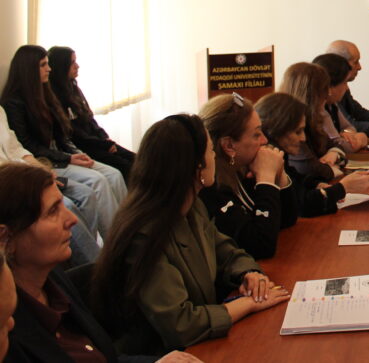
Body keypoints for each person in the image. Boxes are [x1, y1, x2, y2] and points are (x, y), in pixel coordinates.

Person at [92, 114, 289, 355]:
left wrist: (249, 273)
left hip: (197, 347)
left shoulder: (190, 207)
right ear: (196, 166)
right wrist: (249, 303)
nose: (215, 155)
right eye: (209, 150)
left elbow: (226, 251)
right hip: (163, 355)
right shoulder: (145, 236)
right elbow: (181, 324)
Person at [0, 163, 199, 363]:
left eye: (62, 204)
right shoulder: (6, 328)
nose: (72, 219)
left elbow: (107, 358)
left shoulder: (53, 281)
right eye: (53, 211)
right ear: (5, 238)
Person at [1, 45, 126, 239]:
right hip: (47, 160)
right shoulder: (13, 103)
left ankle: (125, 233)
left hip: (61, 154)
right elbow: (27, 146)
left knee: (114, 174)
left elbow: (63, 133)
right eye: (43, 65)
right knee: (96, 183)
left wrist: (73, 153)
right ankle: (113, 243)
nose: (48, 69)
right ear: (28, 69)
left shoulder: (45, 92)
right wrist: (67, 158)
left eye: (48, 64)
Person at [198, 93, 298, 259]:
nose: (265, 140)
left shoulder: (240, 169)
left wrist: (279, 175)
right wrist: (266, 178)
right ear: (229, 145)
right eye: (256, 135)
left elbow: (287, 219)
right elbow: (260, 246)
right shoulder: (211, 188)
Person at [0, 106, 101, 267]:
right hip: (11, 184)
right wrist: (32, 179)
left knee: (85, 194)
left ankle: (82, 256)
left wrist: (41, 170)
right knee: (65, 205)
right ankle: (95, 268)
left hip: (26, 173)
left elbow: (16, 148)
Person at [254, 92, 369, 216]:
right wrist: (343, 188)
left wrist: (316, 184)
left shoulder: (280, 152)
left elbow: (296, 179)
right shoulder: (264, 161)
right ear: (277, 131)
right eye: (298, 132)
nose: (303, 138)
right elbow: (300, 205)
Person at [47, 46, 135, 179]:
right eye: (72, 63)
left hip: (96, 141)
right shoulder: (54, 96)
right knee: (126, 166)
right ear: (61, 66)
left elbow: (89, 118)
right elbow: (74, 134)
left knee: (137, 159)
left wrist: (103, 137)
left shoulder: (74, 88)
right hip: (84, 147)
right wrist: (103, 144)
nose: (77, 66)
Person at [278, 62, 348, 178]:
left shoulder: (313, 118)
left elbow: (335, 145)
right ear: (311, 95)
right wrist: (332, 170)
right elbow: (308, 168)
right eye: (325, 90)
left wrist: (334, 152)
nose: (329, 94)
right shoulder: (289, 124)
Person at [310, 53, 369, 153]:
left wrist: (346, 133)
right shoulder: (320, 109)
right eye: (345, 82)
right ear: (330, 86)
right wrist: (362, 137)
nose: (346, 88)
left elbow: (349, 127)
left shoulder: (332, 104)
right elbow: (344, 147)